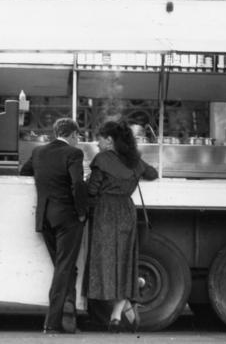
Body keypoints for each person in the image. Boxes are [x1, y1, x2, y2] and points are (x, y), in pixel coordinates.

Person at [86, 121, 158, 333]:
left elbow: (92, 190)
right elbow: (152, 173)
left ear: (109, 140)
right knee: (124, 262)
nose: (97, 143)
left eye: (99, 138)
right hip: (126, 212)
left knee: (105, 262)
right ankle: (118, 313)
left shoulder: (102, 159)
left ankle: (117, 310)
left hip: (105, 213)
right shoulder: (134, 161)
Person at [20, 118, 88, 334]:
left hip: (45, 218)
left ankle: (69, 313)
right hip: (67, 218)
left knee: (65, 267)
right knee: (64, 268)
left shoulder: (39, 152)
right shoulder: (74, 154)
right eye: (78, 136)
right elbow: (78, 183)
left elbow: (24, 171)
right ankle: (52, 322)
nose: (78, 140)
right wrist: (81, 212)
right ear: (73, 135)